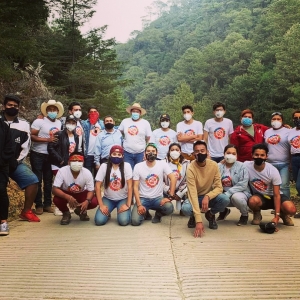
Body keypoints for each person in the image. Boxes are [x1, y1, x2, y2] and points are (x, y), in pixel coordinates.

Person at [1, 95, 40, 223]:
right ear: (4, 106)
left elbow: (26, 146)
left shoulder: (23, 125)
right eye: (10, 105)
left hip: (14, 162)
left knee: (32, 181)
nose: (12, 108)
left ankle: (26, 211)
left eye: (15, 106)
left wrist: (17, 161)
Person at [181, 141, 229, 237]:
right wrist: (199, 220)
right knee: (186, 209)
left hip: (209, 197)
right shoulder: (190, 168)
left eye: (202, 151)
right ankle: (193, 216)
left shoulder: (214, 165)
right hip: (196, 197)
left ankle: (210, 215)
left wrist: (208, 196)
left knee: (225, 199)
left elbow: (219, 187)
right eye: (197, 151)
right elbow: (193, 194)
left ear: (207, 152)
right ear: (194, 153)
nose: (200, 153)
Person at [244, 144, 296, 226]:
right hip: (260, 197)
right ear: (252, 155)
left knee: (291, 209)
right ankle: (257, 213)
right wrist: (224, 161)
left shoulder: (272, 171)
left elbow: (276, 195)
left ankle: (282, 214)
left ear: (266, 157)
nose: (259, 157)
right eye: (256, 154)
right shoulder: (246, 165)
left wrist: (276, 216)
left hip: (274, 196)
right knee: (252, 201)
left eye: (262, 155)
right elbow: (233, 165)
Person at [30, 100, 64, 215]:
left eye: (54, 110)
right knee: (37, 179)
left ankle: (48, 204)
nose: (52, 111)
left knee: (49, 180)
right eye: (50, 109)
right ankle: (38, 205)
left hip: (51, 155)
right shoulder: (39, 121)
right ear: (46, 111)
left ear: (58, 111)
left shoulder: (59, 123)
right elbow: (31, 135)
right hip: (38, 153)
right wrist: (47, 140)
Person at [131, 143, 176, 226]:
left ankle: (158, 214)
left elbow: (173, 178)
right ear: (144, 153)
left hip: (157, 198)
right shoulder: (138, 166)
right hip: (143, 198)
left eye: (153, 151)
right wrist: (139, 204)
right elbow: (135, 187)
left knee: (169, 208)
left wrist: (170, 196)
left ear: (157, 153)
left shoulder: (162, 163)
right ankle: (146, 213)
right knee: (135, 221)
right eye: (148, 151)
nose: (150, 153)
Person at [52, 152, 98, 225]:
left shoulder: (87, 172)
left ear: (83, 162)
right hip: (66, 193)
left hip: (81, 194)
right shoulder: (62, 171)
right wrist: (68, 197)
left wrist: (87, 201)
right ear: (68, 162)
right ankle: (66, 213)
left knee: (94, 201)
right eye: (74, 160)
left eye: (79, 161)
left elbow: (91, 190)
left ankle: (81, 210)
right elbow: (54, 189)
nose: (77, 163)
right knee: (56, 199)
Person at [94, 145, 132, 226]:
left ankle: (127, 212)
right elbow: (97, 186)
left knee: (123, 221)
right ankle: (107, 214)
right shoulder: (104, 166)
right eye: (114, 154)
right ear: (110, 155)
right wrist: (101, 205)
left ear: (122, 156)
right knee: (99, 221)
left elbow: (130, 186)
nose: (116, 156)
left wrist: (128, 205)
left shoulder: (127, 166)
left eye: (119, 155)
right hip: (108, 199)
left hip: (123, 198)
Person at [217, 144, 251, 226]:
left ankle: (244, 215)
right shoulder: (218, 166)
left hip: (240, 192)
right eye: (228, 153)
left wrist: (228, 193)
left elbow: (243, 184)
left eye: (233, 153)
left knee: (236, 197)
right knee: (214, 195)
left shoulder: (242, 166)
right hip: (223, 191)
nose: (230, 155)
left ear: (237, 155)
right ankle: (223, 211)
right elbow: (214, 181)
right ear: (224, 154)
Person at [264, 112, 291, 198]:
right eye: (274, 119)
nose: (276, 121)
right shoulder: (267, 132)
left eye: (278, 119)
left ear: (282, 121)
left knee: (284, 186)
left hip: (285, 164)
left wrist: (291, 162)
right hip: (270, 164)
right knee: (272, 187)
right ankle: (275, 206)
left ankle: (285, 206)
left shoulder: (288, 131)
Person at [119, 103, 152, 170]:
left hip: (140, 153)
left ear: (140, 113)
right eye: (133, 111)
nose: (135, 113)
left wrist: (146, 152)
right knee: (128, 173)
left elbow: (149, 138)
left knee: (139, 173)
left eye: (137, 111)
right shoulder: (125, 121)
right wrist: (121, 145)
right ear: (131, 112)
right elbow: (118, 133)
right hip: (127, 152)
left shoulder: (145, 123)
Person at [0, 116, 16, 236]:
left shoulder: (4, 127)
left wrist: (2, 160)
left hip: (1, 165)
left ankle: (3, 221)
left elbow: (10, 148)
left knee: (1, 191)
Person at [163, 143, 189, 213]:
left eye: (177, 150)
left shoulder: (186, 164)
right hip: (166, 190)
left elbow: (189, 181)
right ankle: (159, 213)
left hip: (181, 190)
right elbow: (160, 181)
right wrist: (168, 189)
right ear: (169, 151)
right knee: (158, 194)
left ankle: (183, 208)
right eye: (172, 150)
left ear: (180, 152)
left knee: (190, 193)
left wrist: (180, 193)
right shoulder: (163, 163)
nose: (174, 151)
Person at [82, 106, 103, 175]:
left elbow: (112, 127)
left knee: (98, 177)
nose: (93, 113)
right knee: (87, 175)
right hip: (88, 154)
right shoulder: (84, 124)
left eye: (95, 112)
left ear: (98, 113)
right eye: (91, 112)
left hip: (99, 154)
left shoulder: (102, 124)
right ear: (88, 114)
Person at [288, 110, 300, 218]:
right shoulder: (291, 131)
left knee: (299, 185)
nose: (298, 120)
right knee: (297, 185)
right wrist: (290, 162)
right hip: (295, 158)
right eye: (296, 118)